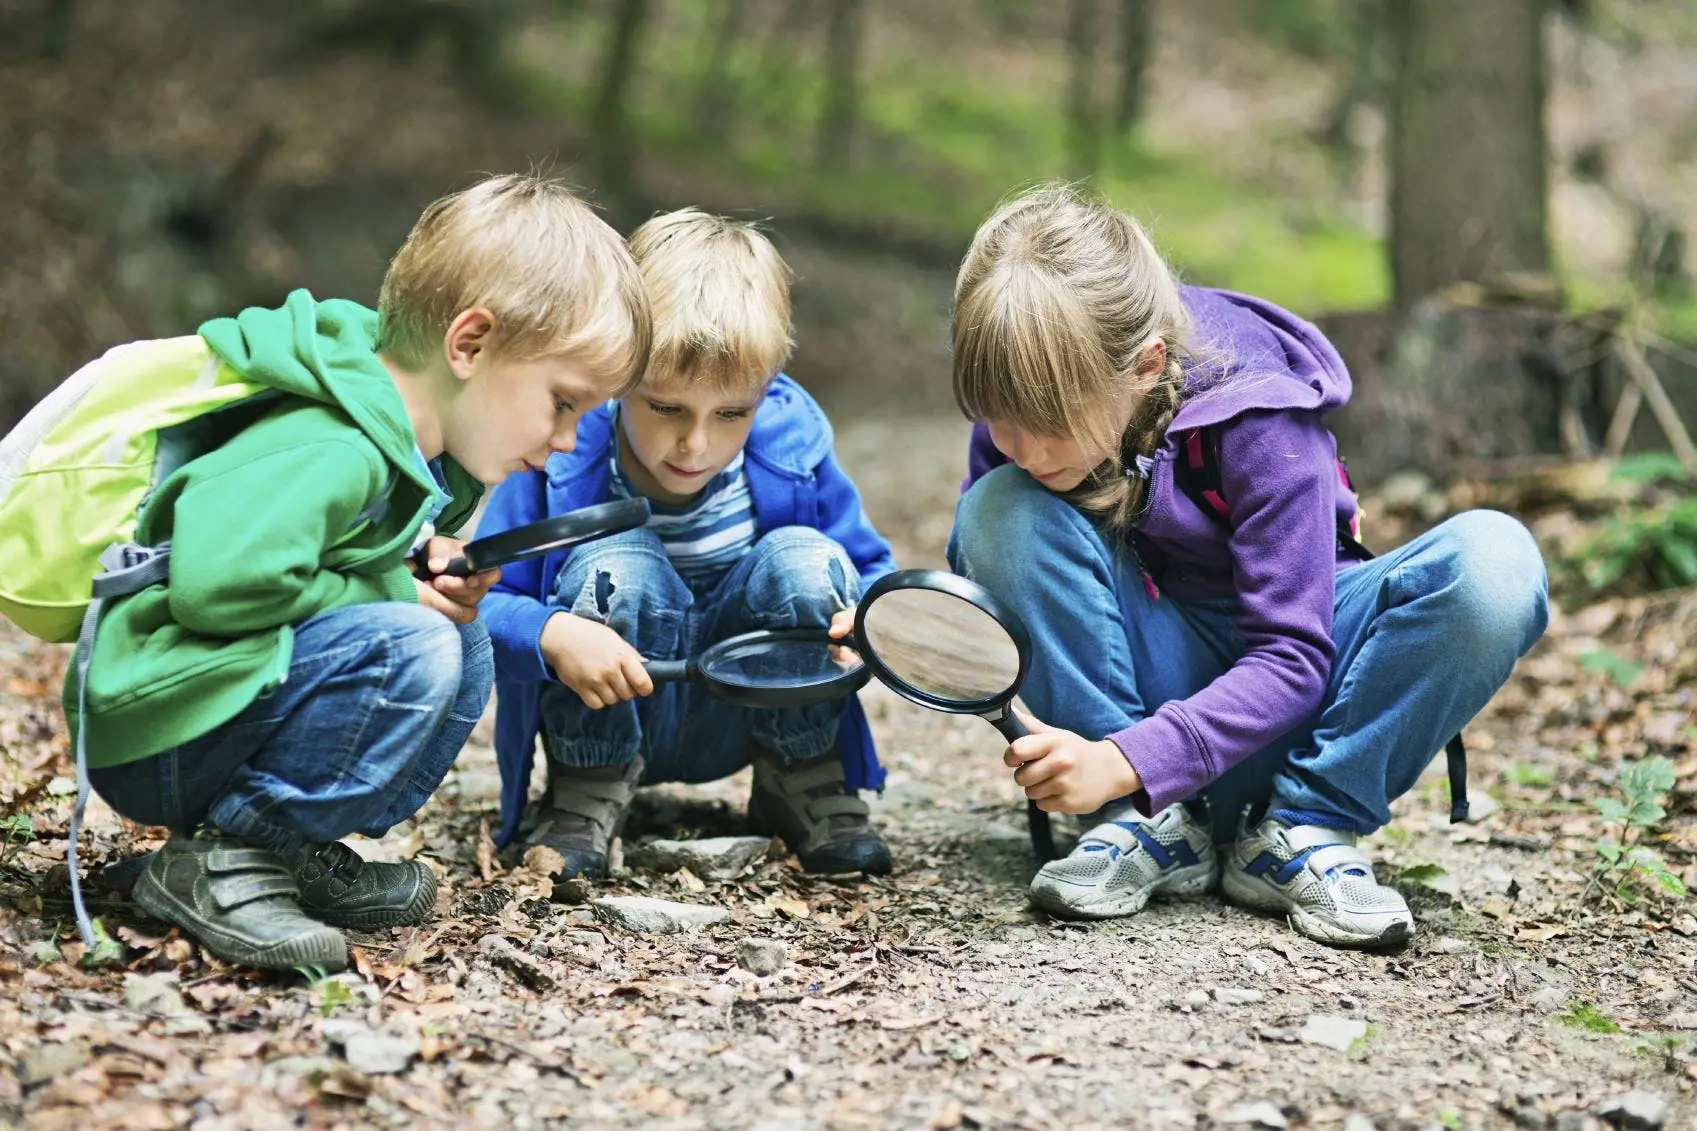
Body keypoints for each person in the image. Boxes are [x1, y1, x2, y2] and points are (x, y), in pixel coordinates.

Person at [66, 174, 650, 970]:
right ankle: (222, 857)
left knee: (459, 637)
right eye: (562, 402)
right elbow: (219, 585)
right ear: (469, 344)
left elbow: (325, 567)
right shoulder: (333, 443)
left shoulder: (393, 449)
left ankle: (278, 849)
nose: (568, 440)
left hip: (209, 706)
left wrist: (411, 567)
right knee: (415, 643)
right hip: (157, 725)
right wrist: (390, 590)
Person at [946, 184, 1549, 947]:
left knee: (1496, 560)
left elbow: (1293, 656)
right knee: (998, 507)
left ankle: (1303, 829)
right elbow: (1000, 592)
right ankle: (1143, 829)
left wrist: (1126, 758)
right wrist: (910, 627)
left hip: (1299, 710)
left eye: (1047, 425)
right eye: (998, 418)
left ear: (1145, 365)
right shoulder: (1022, 431)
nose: (1020, 448)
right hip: (1139, 716)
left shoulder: (1260, 417)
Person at [481, 208, 897, 883]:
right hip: (611, 703)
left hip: (747, 705)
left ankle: (800, 774)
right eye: (666, 407)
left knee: (805, 559)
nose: (695, 444)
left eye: (731, 412)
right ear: (617, 378)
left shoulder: (790, 447)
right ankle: (587, 788)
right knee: (619, 561)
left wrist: (870, 617)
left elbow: (872, 570)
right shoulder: (562, 455)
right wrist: (552, 632)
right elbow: (484, 604)